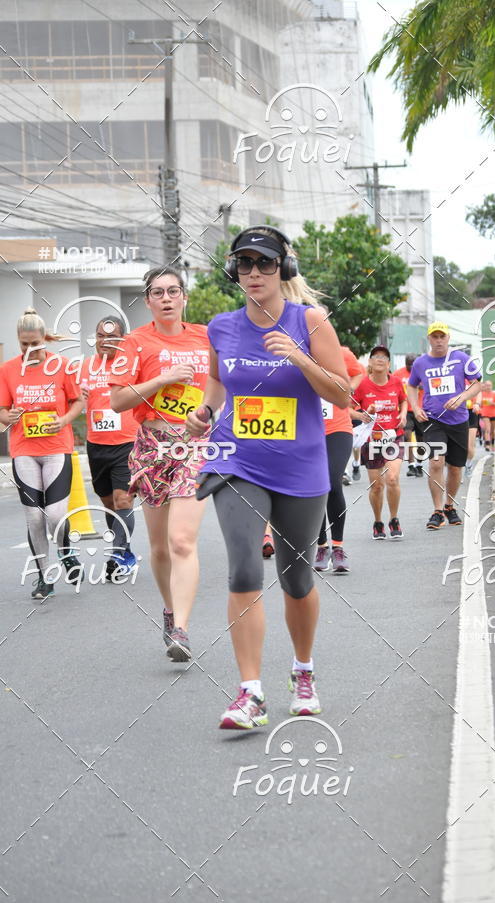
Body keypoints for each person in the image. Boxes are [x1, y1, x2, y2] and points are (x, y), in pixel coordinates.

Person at [186, 225, 350, 730]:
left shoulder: (311, 321)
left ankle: (303, 672)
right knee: (243, 569)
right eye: (244, 264)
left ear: (285, 269)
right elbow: (217, 382)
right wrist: (204, 411)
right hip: (236, 459)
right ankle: (249, 692)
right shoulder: (221, 326)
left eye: (265, 264)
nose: (254, 273)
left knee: (296, 580)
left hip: (300, 466)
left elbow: (342, 394)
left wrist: (298, 356)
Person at [110, 266, 210, 662]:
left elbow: (226, 385)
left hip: (196, 445)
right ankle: (169, 610)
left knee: (182, 540)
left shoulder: (205, 337)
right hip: (152, 445)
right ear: (148, 300)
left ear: (184, 297)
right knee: (159, 547)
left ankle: (182, 630)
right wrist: (163, 379)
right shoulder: (134, 342)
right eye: (158, 292)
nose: (167, 298)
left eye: (174, 291)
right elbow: (118, 400)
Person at [0, 308, 84, 599]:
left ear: (44, 339)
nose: (30, 349)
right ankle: (44, 576)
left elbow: (77, 402)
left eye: (35, 343)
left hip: (56, 448)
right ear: (18, 341)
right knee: (34, 517)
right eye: (24, 344)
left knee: (55, 515)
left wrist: (63, 420)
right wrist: (5, 417)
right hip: (23, 449)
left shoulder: (62, 366)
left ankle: (66, 550)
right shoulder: (8, 370)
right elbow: (2, 409)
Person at [407, 322, 482, 530]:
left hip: (458, 420)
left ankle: (449, 506)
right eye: (434, 337)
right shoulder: (421, 363)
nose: (438, 340)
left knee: (456, 468)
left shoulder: (461, 359)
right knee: (436, 463)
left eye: (442, 337)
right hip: (433, 421)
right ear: (429, 339)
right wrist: (415, 407)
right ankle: (437, 510)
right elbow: (411, 385)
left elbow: (477, 383)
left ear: (448, 338)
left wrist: (462, 397)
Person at [80, 316, 138, 578]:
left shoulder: (131, 366)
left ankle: (117, 555)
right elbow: (73, 400)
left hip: (127, 442)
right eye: (100, 336)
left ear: (122, 340)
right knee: (108, 504)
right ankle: (122, 549)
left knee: (122, 499)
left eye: (112, 336)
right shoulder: (84, 367)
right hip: (97, 446)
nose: (105, 342)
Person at [314, 345, 364, 573]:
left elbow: (359, 371)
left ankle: (338, 547)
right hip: (307, 430)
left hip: (338, 428)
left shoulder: (340, 352)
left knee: (333, 483)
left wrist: (346, 391)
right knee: (315, 489)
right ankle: (322, 546)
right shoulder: (296, 351)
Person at [353, 346, 407, 540]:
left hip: (394, 435)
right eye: (376, 356)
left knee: (392, 478)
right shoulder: (362, 385)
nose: (380, 359)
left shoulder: (397, 382)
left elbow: (403, 401)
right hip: (372, 439)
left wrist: (402, 414)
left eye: (384, 357)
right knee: (376, 486)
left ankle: (394, 519)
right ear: (370, 362)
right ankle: (378, 522)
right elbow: (351, 409)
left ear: (389, 364)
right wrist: (367, 412)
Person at [393, 353, 425, 477]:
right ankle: (411, 465)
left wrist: (423, 386)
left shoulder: (423, 372)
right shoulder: (398, 374)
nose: (411, 366)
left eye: (413, 364)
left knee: (421, 439)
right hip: (406, 410)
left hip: (421, 409)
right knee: (407, 435)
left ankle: (419, 464)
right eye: (408, 364)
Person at [465, 383, 481, 477]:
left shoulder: (472, 378)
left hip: (471, 413)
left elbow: (479, 391)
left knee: (470, 446)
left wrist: (477, 403)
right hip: (456, 412)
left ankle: (468, 464)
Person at [479, 380, 495, 451]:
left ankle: (493, 443)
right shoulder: (481, 394)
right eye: (487, 385)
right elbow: (479, 404)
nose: (488, 387)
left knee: (492, 431)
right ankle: (487, 444)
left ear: (492, 386)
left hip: (494, 414)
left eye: (489, 385)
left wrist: (492, 403)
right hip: (485, 414)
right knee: (487, 429)